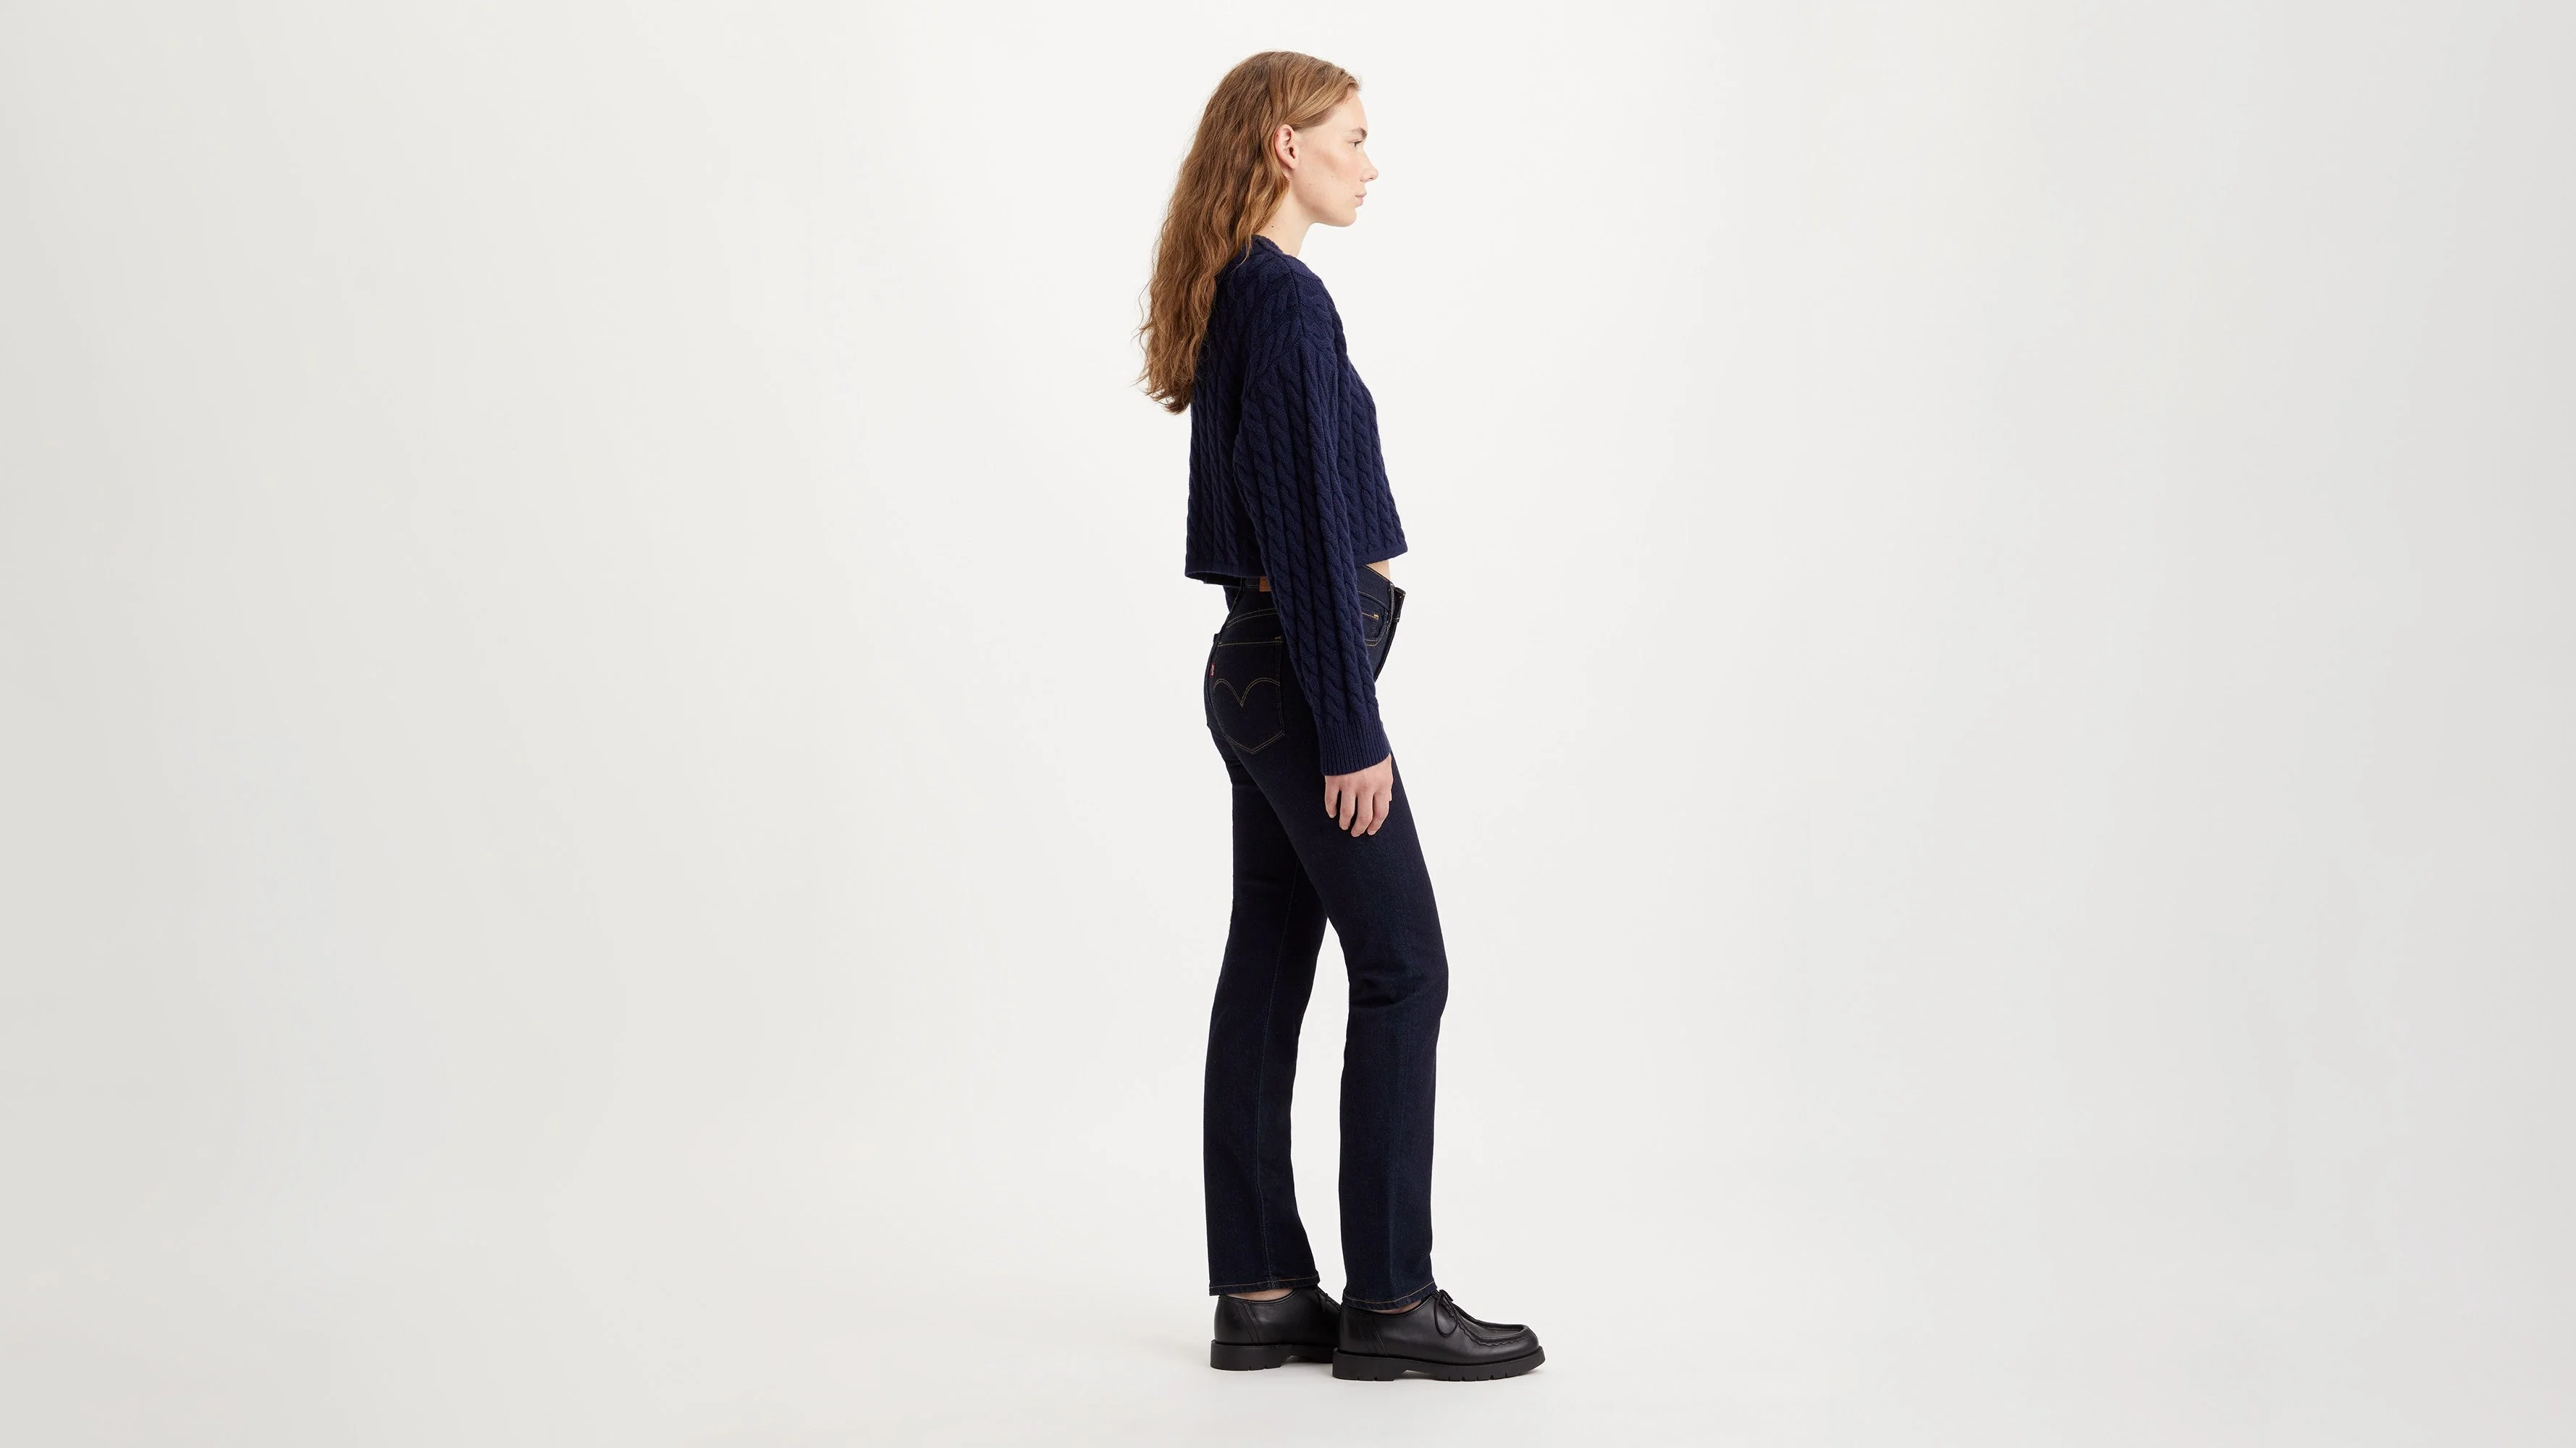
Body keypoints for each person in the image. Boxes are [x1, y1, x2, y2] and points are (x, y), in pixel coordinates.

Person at [1134, 51, 1544, 1384]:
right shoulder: (1288, 300)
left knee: (1269, 964)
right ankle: (1390, 1299)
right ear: (1284, 146)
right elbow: (1310, 535)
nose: (1371, 162)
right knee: (1404, 966)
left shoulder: (1239, 293)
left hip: (1255, 677)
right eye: (1352, 136)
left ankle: (1261, 1292)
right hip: (1300, 684)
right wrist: (1351, 728)